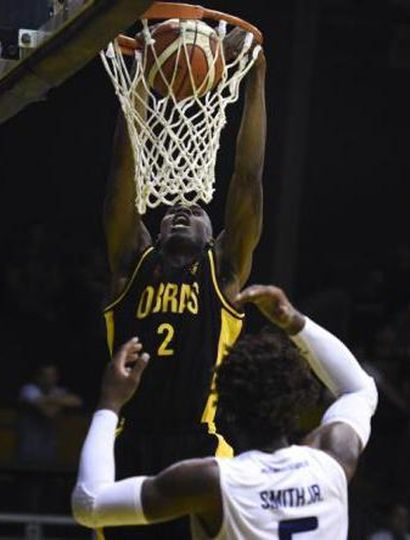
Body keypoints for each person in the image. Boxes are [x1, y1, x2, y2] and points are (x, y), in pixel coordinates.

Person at [101, 31, 266, 540]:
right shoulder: (133, 262)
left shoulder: (226, 272)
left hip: (197, 443)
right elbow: (121, 174)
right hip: (130, 442)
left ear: (213, 236)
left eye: (195, 212)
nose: (181, 210)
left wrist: (257, 78)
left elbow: (247, 178)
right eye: (173, 209)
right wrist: (139, 94)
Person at [72, 284, 378, 539]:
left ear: (226, 409)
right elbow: (360, 388)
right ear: (298, 404)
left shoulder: (210, 482)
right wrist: (295, 322)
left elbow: (90, 505)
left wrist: (109, 403)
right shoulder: (333, 457)